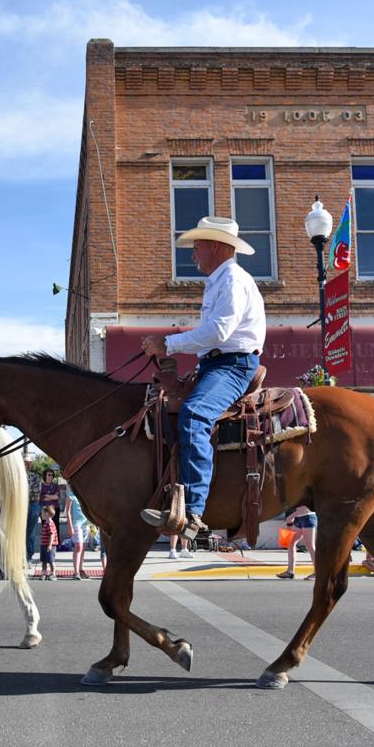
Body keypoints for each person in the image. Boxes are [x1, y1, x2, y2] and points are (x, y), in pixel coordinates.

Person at [139, 216, 264, 539]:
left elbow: (220, 331)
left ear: (216, 246)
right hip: (215, 364)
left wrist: (168, 343)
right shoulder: (218, 282)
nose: (192, 254)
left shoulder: (233, 280)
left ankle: (193, 510)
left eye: (197, 247)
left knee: (194, 415)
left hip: (233, 366)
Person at [277, 504, 317, 581]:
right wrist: (291, 518)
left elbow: (308, 508)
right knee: (291, 544)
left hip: (308, 517)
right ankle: (290, 572)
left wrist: (292, 516)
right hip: (299, 518)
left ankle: (317, 573)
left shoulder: (306, 493)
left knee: (310, 545)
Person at [61, 483, 91, 579]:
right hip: (76, 524)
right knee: (78, 546)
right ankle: (76, 572)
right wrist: (70, 526)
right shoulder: (71, 496)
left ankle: (81, 569)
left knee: (83, 548)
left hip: (85, 524)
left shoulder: (84, 496)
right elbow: (68, 512)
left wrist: (92, 523)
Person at [25, 458, 41, 564]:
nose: (28, 465)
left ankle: (29, 556)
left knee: (30, 532)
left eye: (29, 463)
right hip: (22, 504)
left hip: (33, 504)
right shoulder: (16, 475)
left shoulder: (35, 477)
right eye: (26, 463)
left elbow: (37, 490)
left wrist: (24, 490)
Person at [38, 505, 59, 581]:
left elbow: (52, 535)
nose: (41, 515)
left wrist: (50, 545)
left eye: (42, 513)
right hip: (44, 545)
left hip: (50, 545)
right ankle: (44, 573)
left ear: (47, 514)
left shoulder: (50, 523)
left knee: (51, 560)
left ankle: (53, 573)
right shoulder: (46, 523)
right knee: (43, 560)